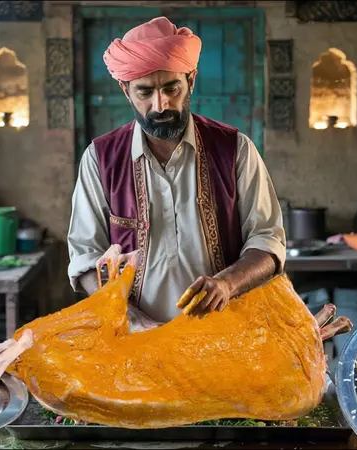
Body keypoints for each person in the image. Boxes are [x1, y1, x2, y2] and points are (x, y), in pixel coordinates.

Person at [67, 16, 286, 330]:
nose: (161, 105)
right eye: (145, 92)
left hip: (226, 335)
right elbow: (85, 257)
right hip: (134, 339)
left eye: (172, 88)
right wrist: (132, 319)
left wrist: (227, 284)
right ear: (125, 89)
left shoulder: (235, 149)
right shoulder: (100, 159)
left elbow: (268, 241)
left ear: (191, 80)